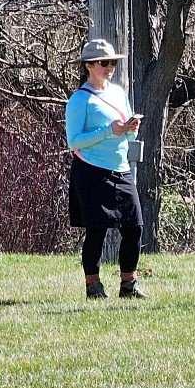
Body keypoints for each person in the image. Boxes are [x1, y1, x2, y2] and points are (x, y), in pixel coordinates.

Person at [65, 38, 147, 300]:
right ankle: (93, 285)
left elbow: (126, 134)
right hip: (91, 171)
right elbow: (74, 141)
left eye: (112, 62)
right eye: (104, 63)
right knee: (96, 230)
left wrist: (131, 130)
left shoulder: (118, 93)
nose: (109, 67)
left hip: (121, 169)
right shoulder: (80, 100)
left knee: (134, 227)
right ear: (88, 66)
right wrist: (108, 131)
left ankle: (129, 284)